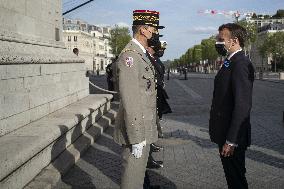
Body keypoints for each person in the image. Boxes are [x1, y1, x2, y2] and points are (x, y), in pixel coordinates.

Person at [113, 10, 164, 189]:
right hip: (137, 132)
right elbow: (130, 99)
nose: (156, 33)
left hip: (143, 129)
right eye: (154, 29)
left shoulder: (140, 54)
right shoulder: (130, 56)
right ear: (143, 30)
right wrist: (136, 138)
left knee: (138, 179)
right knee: (132, 181)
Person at [209, 23, 255, 189]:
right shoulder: (231, 60)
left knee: (236, 180)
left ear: (234, 40)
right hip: (225, 130)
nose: (217, 42)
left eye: (221, 39)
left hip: (231, 135)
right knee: (233, 177)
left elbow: (242, 105)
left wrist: (232, 140)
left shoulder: (240, 63)